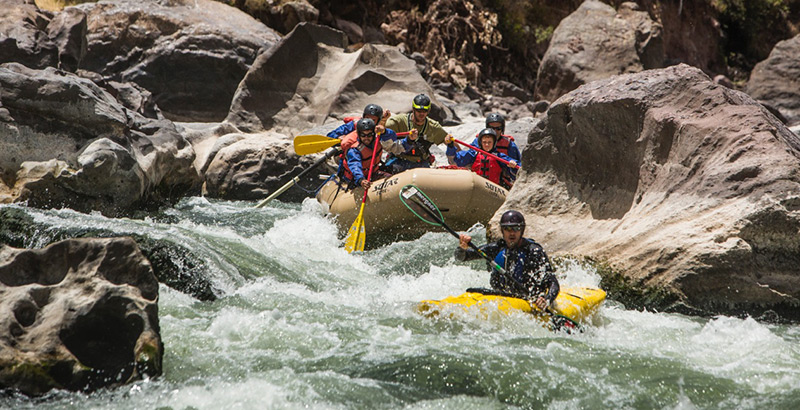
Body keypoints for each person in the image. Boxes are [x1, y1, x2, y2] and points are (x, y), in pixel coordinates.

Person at [455, 210, 559, 311]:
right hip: (501, 297)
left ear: (522, 230)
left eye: (516, 228)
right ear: (502, 230)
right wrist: (462, 248)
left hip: (528, 300)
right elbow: (462, 257)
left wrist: (547, 299)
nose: (512, 233)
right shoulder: (496, 248)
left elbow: (553, 282)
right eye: (508, 228)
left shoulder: (534, 252)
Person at [383, 94, 453, 173]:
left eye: (424, 111)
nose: (421, 114)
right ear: (413, 109)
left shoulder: (433, 127)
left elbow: (448, 141)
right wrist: (383, 119)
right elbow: (381, 131)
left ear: (428, 111)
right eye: (419, 111)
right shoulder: (399, 121)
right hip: (399, 160)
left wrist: (449, 141)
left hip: (420, 163)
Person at [444, 128, 518, 188]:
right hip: (477, 188)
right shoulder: (473, 154)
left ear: (494, 143)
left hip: (494, 189)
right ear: (480, 143)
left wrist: (513, 165)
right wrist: (450, 146)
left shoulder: (499, 156)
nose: (486, 145)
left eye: (489, 142)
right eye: (484, 142)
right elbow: (455, 160)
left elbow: (517, 168)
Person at [338, 118, 398, 190]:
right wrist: (361, 180)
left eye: (369, 135)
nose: (366, 138)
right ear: (359, 135)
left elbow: (393, 137)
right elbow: (355, 165)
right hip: (355, 179)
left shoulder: (377, 140)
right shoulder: (354, 150)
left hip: (373, 173)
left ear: (373, 134)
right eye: (363, 135)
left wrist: (384, 131)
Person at [470, 113, 521, 186]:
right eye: (492, 128)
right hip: (479, 179)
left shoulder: (510, 145)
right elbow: (468, 157)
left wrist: (513, 166)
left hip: (502, 182)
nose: (495, 131)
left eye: (498, 128)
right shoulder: (478, 141)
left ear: (502, 129)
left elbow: (518, 166)